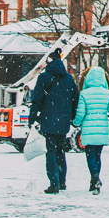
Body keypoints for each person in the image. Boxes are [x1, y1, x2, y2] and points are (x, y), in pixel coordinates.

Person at [28, 49, 79, 194]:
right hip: (63, 121)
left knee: (50, 151)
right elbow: (75, 99)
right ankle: (62, 181)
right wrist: (73, 117)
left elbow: (36, 100)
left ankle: (54, 183)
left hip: (48, 120)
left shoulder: (44, 78)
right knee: (60, 151)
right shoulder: (69, 78)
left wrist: (32, 118)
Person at [72, 66, 109, 194]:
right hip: (102, 129)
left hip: (88, 129)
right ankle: (95, 184)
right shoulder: (108, 94)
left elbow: (81, 113)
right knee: (98, 156)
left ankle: (94, 177)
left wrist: (75, 122)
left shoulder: (84, 94)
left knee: (90, 156)